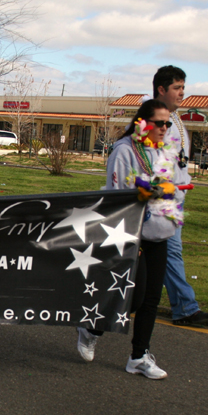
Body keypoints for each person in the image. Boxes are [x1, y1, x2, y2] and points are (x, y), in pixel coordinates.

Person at [75, 99, 182, 379]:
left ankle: (138, 357)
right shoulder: (125, 150)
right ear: (142, 123)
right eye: (159, 123)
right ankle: (90, 328)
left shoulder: (166, 150)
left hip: (161, 233)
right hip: (133, 234)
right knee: (132, 298)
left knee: (151, 300)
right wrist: (145, 192)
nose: (164, 128)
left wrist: (170, 193)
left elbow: (179, 185)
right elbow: (117, 196)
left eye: (167, 123)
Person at [153, 66, 208, 326]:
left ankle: (180, 306)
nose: (182, 93)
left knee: (163, 254)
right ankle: (186, 308)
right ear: (161, 89)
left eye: (183, 88)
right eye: (176, 88)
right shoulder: (153, 119)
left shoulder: (175, 119)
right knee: (171, 252)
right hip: (159, 200)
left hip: (175, 197)